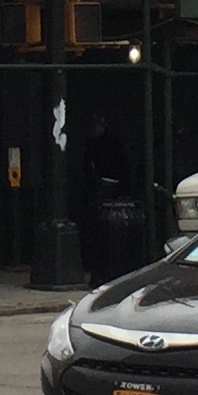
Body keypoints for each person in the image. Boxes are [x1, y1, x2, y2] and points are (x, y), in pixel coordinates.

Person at [79, 114, 141, 282]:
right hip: (98, 190)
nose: (94, 131)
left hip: (111, 188)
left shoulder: (112, 144)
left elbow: (120, 167)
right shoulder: (93, 144)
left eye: (96, 127)